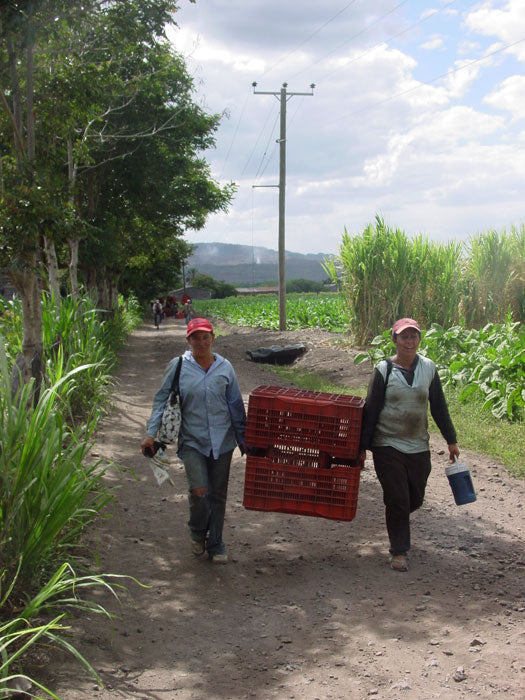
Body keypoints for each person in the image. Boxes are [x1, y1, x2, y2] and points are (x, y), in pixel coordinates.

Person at [357, 318, 460, 572]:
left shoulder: (428, 368)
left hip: (418, 445)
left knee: (415, 497)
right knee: (398, 499)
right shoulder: (383, 370)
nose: (409, 341)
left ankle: (397, 512)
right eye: (404, 337)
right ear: (395, 340)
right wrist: (361, 449)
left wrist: (451, 440)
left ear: (419, 340)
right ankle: (399, 551)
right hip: (387, 444)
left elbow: (438, 407)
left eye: (414, 336)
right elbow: (370, 411)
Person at [141, 317, 246, 564]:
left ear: (213, 338)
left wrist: (246, 440)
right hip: (192, 440)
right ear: (188, 340)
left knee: (218, 495)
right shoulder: (178, 366)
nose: (201, 342)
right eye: (195, 337)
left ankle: (217, 543)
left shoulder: (225, 367)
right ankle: (198, 532)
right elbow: (161, 399)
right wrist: (150, 433)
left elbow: (236, 405)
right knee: (199, 491)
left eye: (205, 336)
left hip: (223, 440)